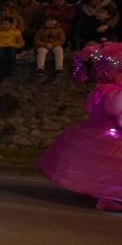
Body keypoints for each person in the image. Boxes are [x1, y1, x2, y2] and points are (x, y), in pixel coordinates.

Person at [39, 42, 122, 212]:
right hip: (113, 135)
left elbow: (93, 110)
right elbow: (117, 112)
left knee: (107, 169)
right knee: (113, 170)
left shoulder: (101, 90)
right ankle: (108, 199)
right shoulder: (114, 93)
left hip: (102, 132)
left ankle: (107, 196)